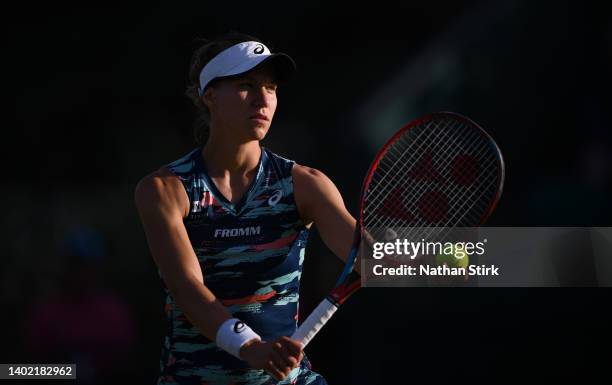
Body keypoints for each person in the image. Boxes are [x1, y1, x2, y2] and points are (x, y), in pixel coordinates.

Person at [135, 31, 358, 385]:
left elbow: (374, 258)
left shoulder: (305, 185)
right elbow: (186, 288)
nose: (262, 99)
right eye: (247, 85)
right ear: (210, 96)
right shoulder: (165, 190)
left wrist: (471, 254)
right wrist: (250, 346)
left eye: (270, 88)